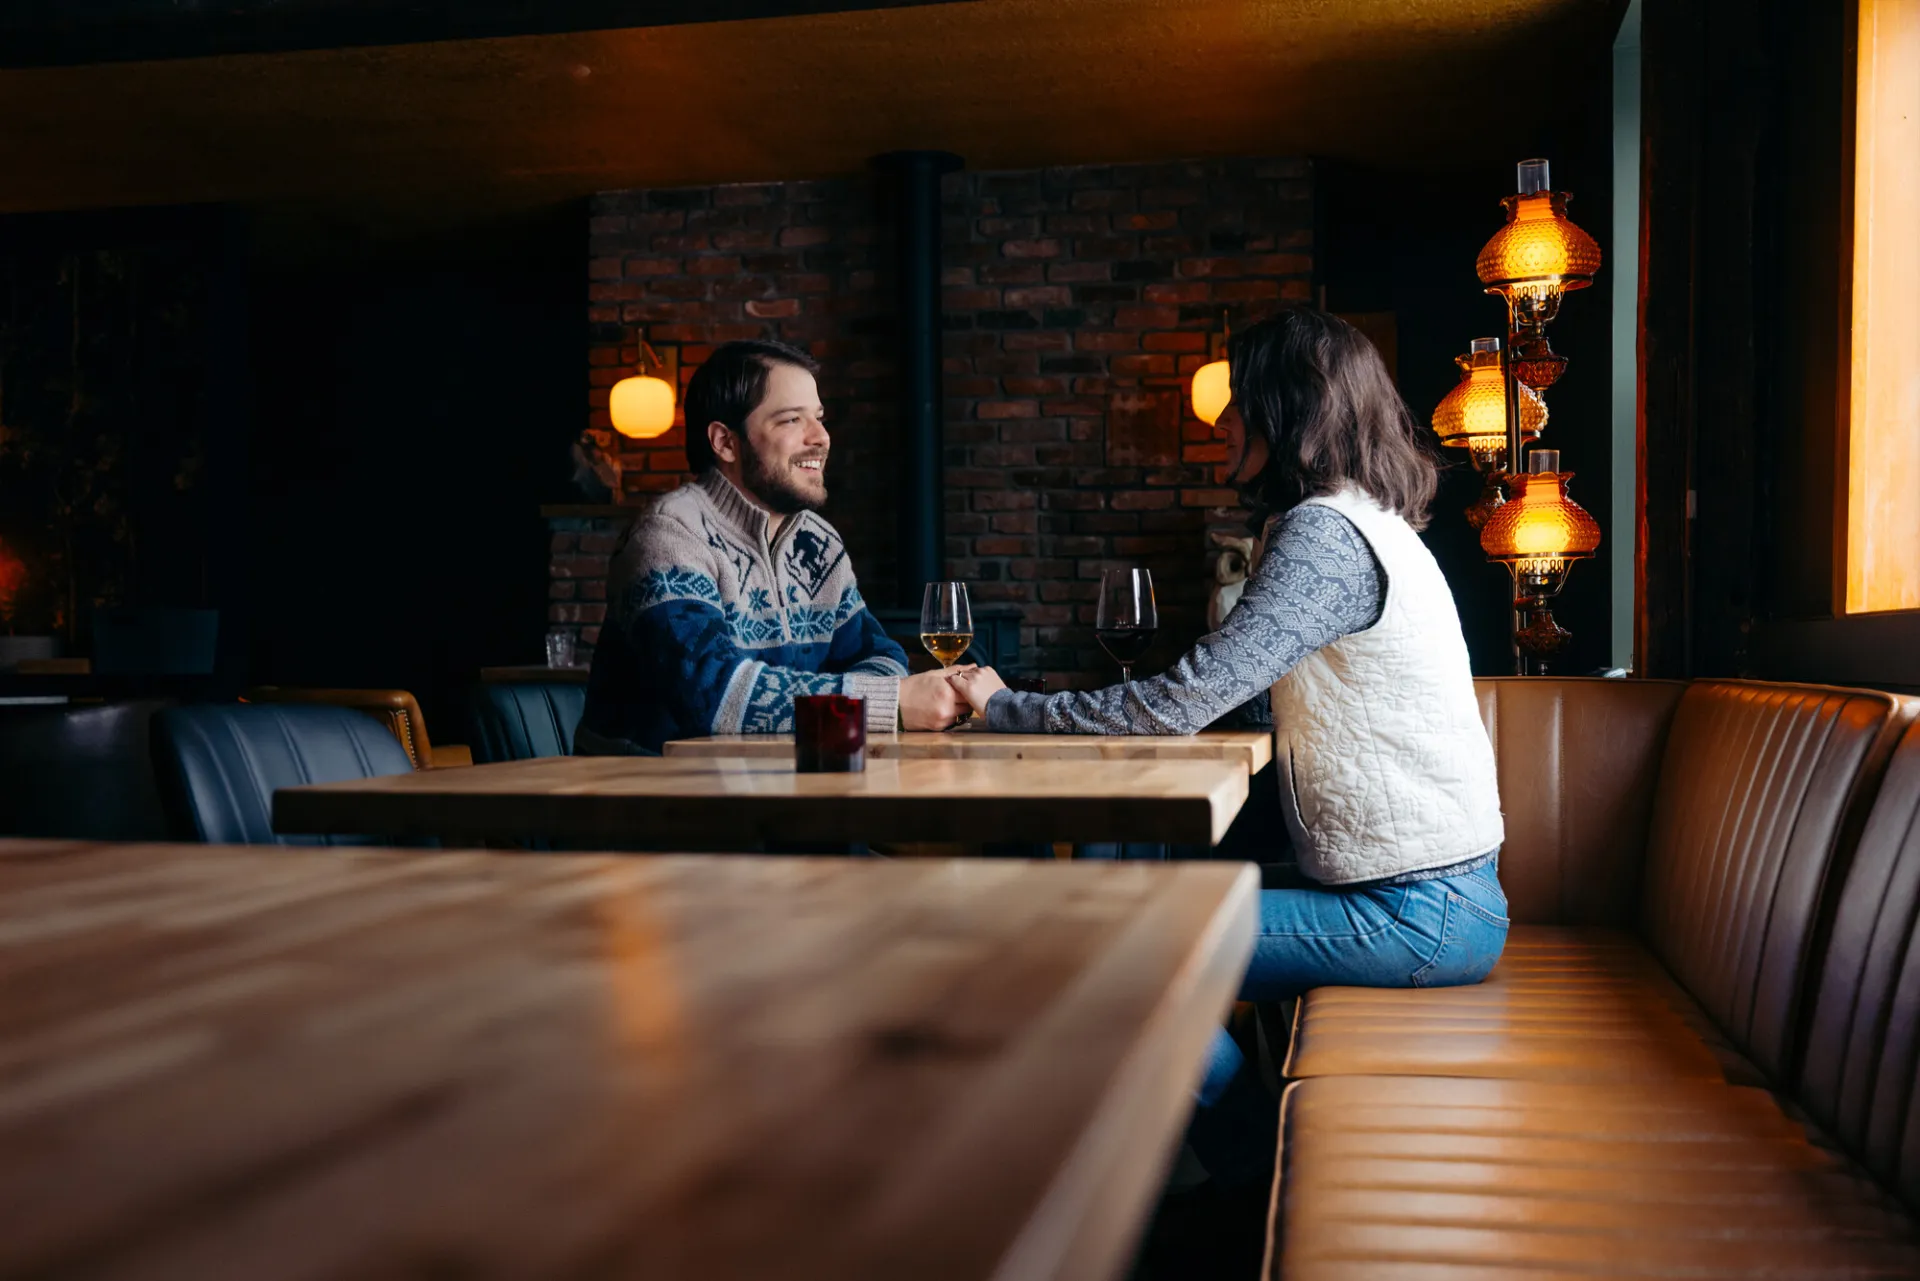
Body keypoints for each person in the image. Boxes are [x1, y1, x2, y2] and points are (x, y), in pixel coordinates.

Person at [947, 306, 1508, 1184]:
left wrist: (1004, 706)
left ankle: (1264, 1179)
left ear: (1286, 410)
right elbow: (1248, 698)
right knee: (1125, 913)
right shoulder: (1362, 521)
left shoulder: (1328, 534)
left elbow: (1187, 697)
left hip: (1417, 913)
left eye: (1236, 397)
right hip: (1428, 897)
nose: (1219, 419)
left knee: (1106, 952)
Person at [578, 339, 967, 754]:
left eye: (818, 418)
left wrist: (879, 696)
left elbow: (880, 655)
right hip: (644, 796)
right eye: (790, 421)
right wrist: (892, 705)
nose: (821, 437)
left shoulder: (817, 542)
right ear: (725, 442)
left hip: (766, 784)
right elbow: (714, 696)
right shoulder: (669, 537)